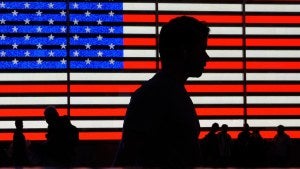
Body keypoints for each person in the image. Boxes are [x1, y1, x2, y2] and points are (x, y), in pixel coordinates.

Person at [114, 16, 210, 167]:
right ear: (184, 51)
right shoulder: (158, 96)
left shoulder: (155, 93)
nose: (207, 57)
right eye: (202, 49)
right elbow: (127, 157)